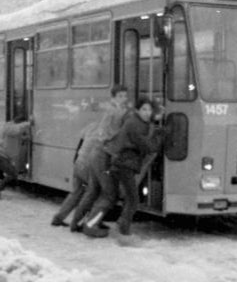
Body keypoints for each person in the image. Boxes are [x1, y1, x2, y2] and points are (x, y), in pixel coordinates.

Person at [83, 97, 165, 237]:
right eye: (144, 109)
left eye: (149, 110)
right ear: (137, 110)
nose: (147, 113)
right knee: (130, 199)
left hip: (119, 162)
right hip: (122, 164)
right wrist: (161, 135)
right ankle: (118, 227)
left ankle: (93, 222)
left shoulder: (139, 122)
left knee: (112, 197)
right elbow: (147, 146)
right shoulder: (134, 124)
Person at [57, 85, 130, 231]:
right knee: (109, 195)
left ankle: (76, 223)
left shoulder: (114, 111)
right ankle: (91, 224)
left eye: (125, 96)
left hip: (95, 156)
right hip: (102, 155)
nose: (123, 99)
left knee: (92, 192)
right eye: (120, 96)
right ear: (114, 96)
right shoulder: (113, 111)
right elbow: (108, 133)